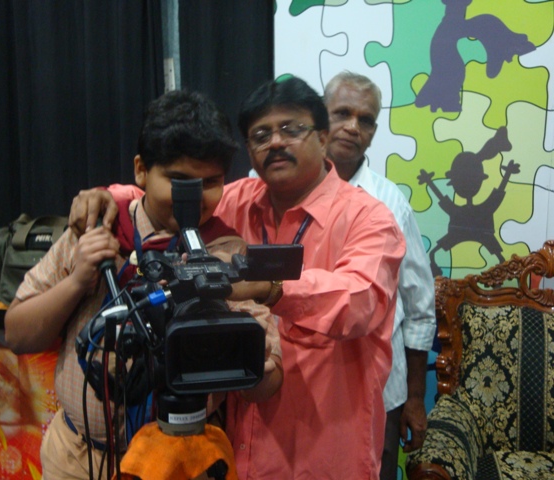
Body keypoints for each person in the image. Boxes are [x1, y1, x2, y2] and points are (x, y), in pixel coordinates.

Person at [70, 76, 406, 479]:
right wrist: (109, 194)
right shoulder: (238, 200)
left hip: (320, 447)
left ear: (322, 138)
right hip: (233, 443)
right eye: (261, 135)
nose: (276, 142)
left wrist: (271, 287)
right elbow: (168, 195)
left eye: (291, 129)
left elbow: (361, 301)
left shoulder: (369, 218)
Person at [4, 90, 282, 480]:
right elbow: (17, 335)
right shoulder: (97, 228)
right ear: (141, 171)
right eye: (179, 180)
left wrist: (255, 359)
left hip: (182, 464)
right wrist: (79, 280)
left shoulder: (224, 251)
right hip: (79, 459)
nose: (195, 198)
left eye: (211, 182)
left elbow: (265, 386)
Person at [323, 71, 436, 480]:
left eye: (366, 120)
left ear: (373, 132)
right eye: (342, 113)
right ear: (320, 116)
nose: (353, 127)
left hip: (381, 392)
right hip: (303, 390)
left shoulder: (391, 203)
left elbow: (419, 307)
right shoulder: (283, 193)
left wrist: (416, 399)